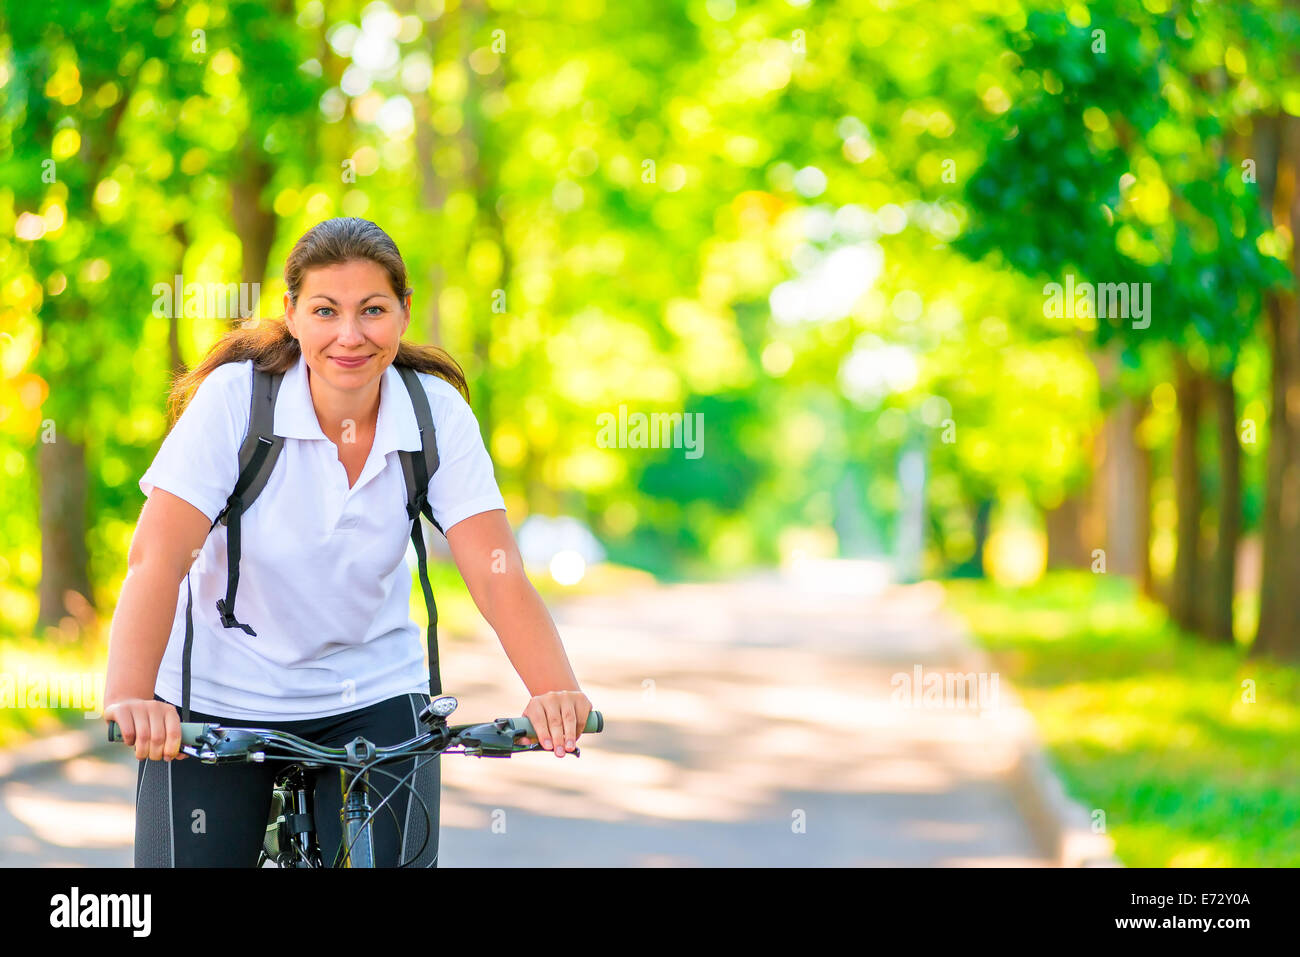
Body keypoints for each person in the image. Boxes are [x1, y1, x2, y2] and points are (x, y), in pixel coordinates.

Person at [104, 217, 592, 867]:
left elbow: (497, 572)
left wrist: (554, 688)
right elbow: (157, 559)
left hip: (372, 691)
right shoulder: (235, 402)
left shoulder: (434, 414)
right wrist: (134, 695)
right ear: (292, 314)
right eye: (326, 310)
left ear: (404, 312)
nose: (350, 335)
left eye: (373, 310)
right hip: (221, 695)